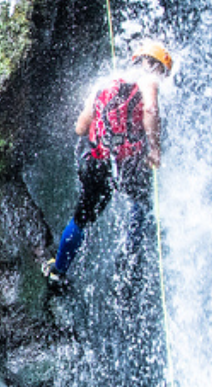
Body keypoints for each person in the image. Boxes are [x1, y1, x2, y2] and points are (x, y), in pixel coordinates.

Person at [43, 42, 173, 292]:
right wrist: (154, 147)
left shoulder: (104, 83)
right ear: (154, 65)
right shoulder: (148, 81)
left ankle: (58, 271)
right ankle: (130, 261)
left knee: (81, 218)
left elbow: (80, 127)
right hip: (128, 163)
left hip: (97, 161)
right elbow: (150, 108)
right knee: (142, 205)